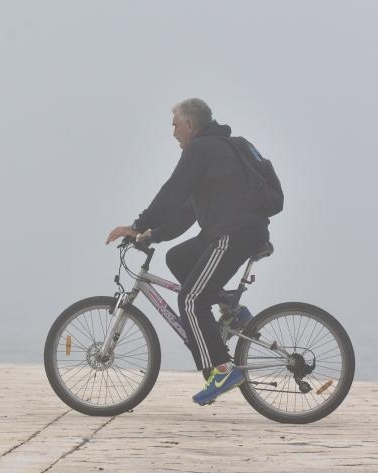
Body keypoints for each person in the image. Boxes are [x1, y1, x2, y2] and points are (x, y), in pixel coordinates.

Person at [105, 98, 270, 405]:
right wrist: (153, 235)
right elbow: (186, 211)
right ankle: (232, 312)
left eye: (175, 125)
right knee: (178, 257)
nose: (173, 133)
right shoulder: (219, 150)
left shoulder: (201, 150)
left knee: (191, 300)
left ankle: (222, 369)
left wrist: (136, 225)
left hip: (233, 235)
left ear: (191, 125)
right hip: (240, 232)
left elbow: (172, 191)